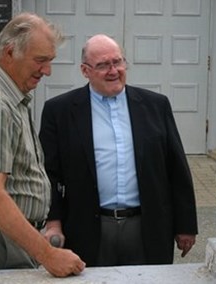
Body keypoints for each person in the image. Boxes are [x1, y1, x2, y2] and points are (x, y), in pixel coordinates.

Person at [0, 13, 85, 277]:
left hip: (0, 236)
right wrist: (48, 254)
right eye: (40, 60)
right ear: (10, 52)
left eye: (50, 61)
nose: (47, 70)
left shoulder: (9, 95)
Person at [39, 34, 198, 267]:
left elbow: (176, 169)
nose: (113, 71)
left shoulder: (155, 105)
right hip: (88, 228)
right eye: (103, 65)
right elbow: (49, 173)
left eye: (118, 62)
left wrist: (186, 226)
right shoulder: (59, 111)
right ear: (85, 70)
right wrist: (53, 221)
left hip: (146, 226)